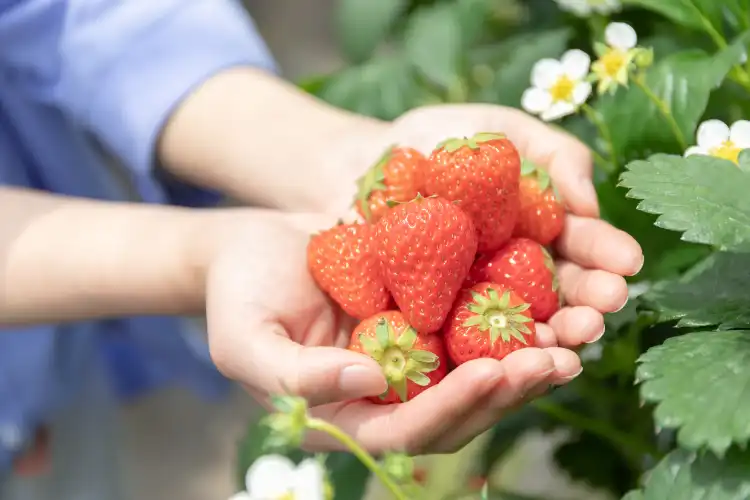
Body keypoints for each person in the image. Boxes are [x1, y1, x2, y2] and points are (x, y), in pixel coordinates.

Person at [0, 0, 644, 497]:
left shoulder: (427, 227)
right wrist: (196, 257)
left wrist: (321, 151)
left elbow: (75, 12)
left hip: (49, 376)